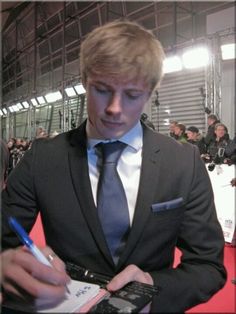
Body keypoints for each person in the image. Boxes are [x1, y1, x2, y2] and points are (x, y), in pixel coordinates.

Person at [1, 20, 226, 313]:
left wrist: (151, 290)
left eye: (132, 95)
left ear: (149, 93)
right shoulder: (42, 158)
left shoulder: (183, 162)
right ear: (84, 82)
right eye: (102, 90)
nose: (115, 109)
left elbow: (208, 265)